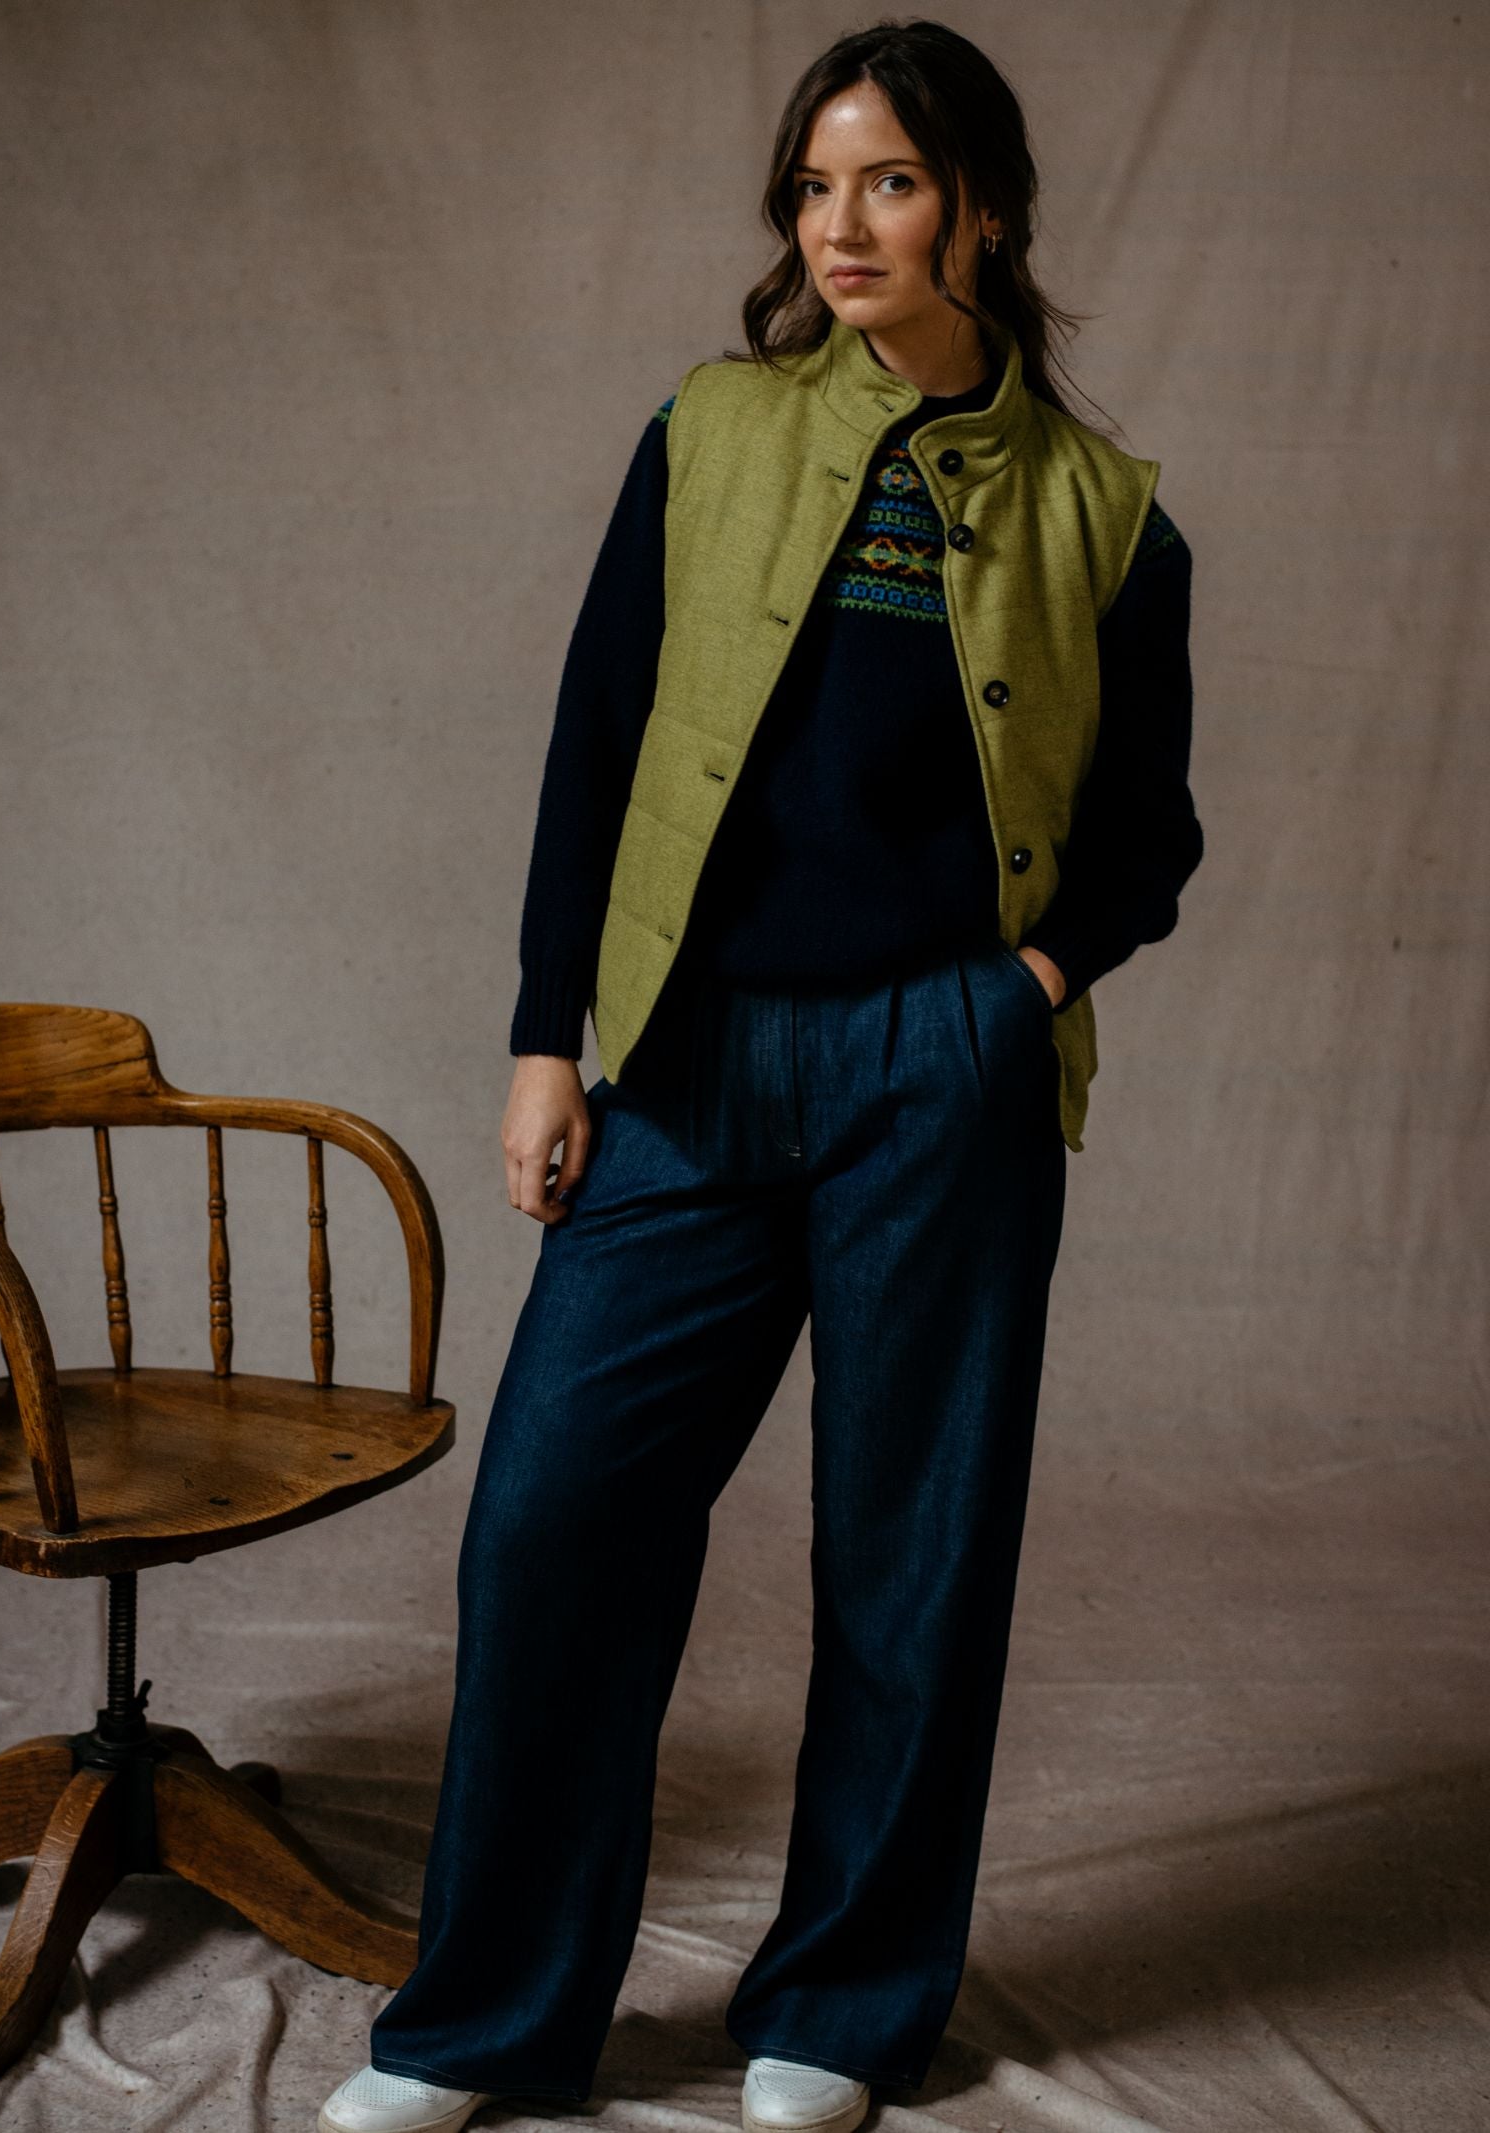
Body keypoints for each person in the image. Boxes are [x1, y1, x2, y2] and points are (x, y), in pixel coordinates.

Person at [318, 17, 1202, 2133]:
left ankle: (842, 1999)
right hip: (689, 1060)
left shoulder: (1106, 516)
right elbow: (594, 737)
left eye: (886, 180)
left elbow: (1147, 833)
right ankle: (484, 2019)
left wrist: (1017, 988)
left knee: (912, 1547)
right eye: (813, 187)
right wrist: (551, 1035)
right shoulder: (706, 429)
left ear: (981, 203)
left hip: (941, 1068)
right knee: (551, 1523)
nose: (842, 224)